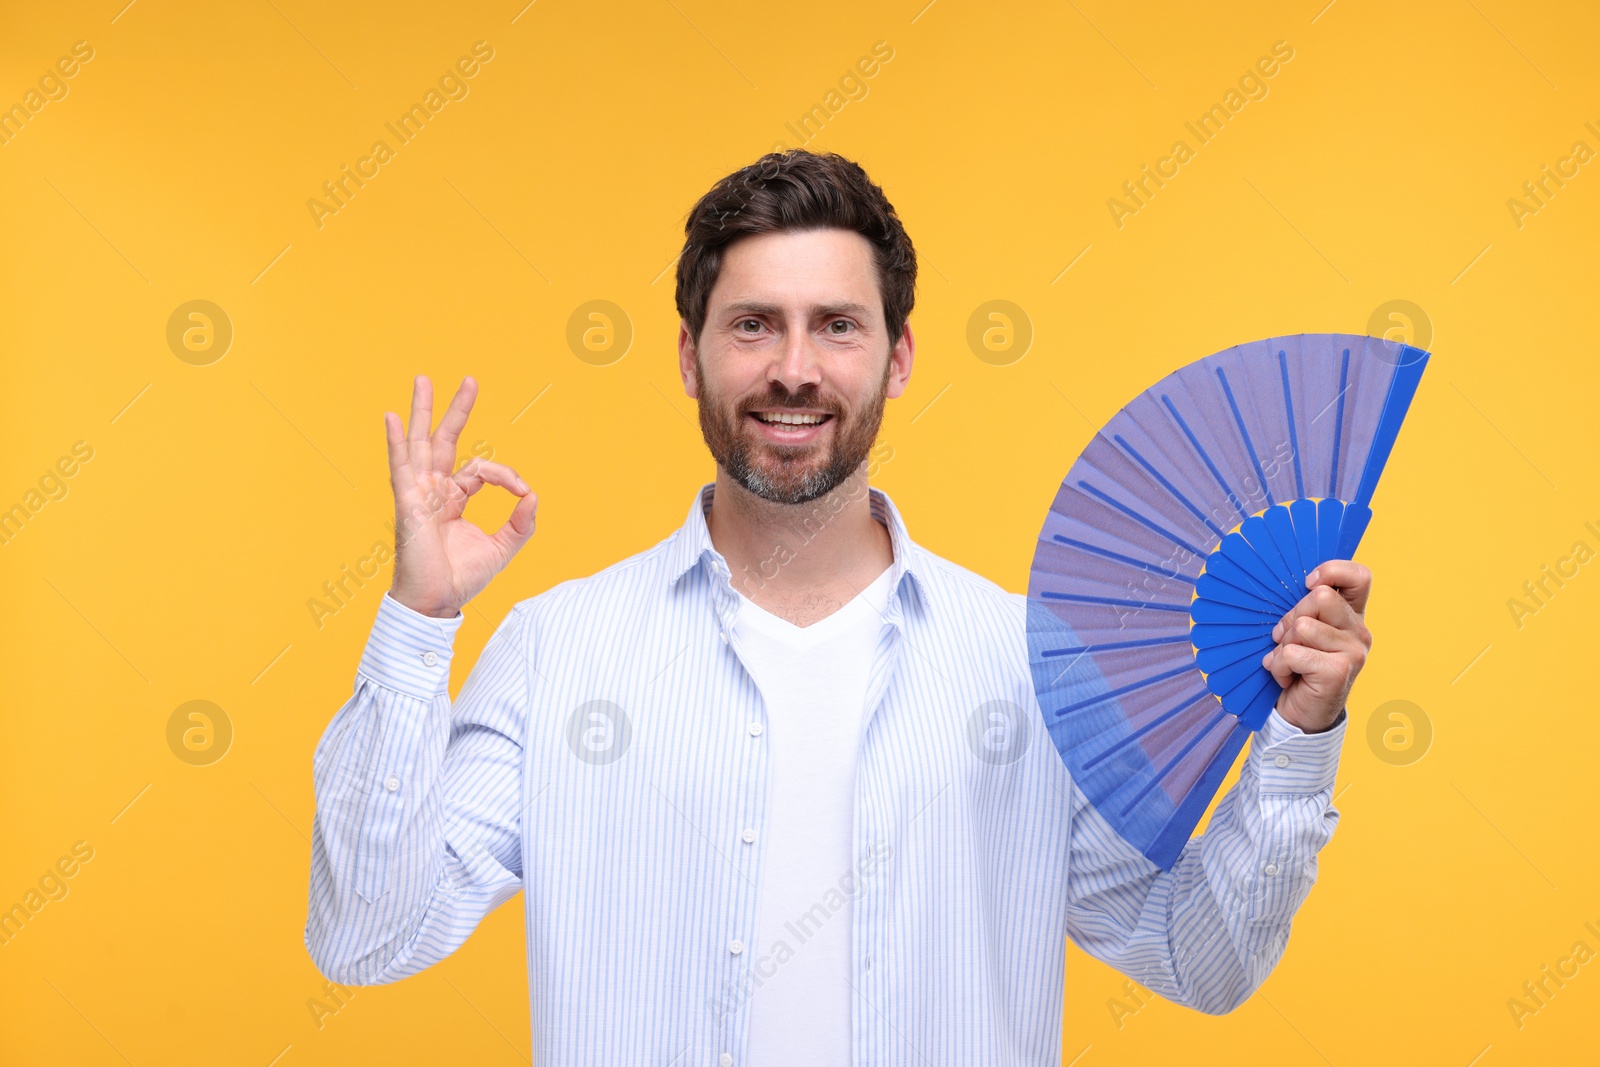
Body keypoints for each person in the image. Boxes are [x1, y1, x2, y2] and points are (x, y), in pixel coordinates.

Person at [304, 149, 1371, 1066]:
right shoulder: (558, 650)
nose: (794, 369)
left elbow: (1198, 955)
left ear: (897, 357)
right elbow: (365, 937)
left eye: (838, 326)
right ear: (690, 354)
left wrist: (1298, 736)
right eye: (754, 325)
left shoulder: (1021, 661)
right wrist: (416, 619)